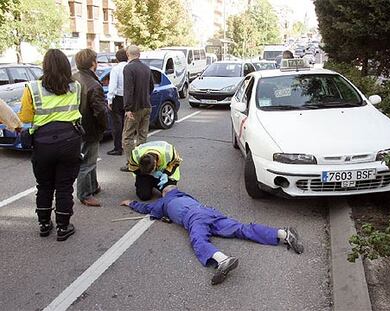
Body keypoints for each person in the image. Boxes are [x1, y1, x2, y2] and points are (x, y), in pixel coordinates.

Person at [121, 185, 304, 285]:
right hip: (209, 212)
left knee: (198, 240)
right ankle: (282, 234)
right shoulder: (186, 196)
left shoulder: (164, 201)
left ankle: (222, 259)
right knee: (241, 228)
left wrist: (130, 203)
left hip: (194, 218)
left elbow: (146, 207)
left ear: (164, 194)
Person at [17, 49, 82, 241]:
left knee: (44, 185)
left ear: (45, 66)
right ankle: (63, 227)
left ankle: (44, 224)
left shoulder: (32, 88)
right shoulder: (76, 87)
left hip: (43, 143)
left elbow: (25, 118)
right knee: (64, 186)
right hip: (70, 141)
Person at [73, 49, 108, 207]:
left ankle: (93, 186)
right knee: (88, 162)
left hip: (76, 126)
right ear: (93, 63)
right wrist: (104, 126)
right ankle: (85, 194)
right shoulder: (93, 84)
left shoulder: (74, 78)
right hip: (89, 128)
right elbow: (100, 111)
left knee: (90, 160)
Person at [120, 45, 154, 172]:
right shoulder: (146, 68)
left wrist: (127, 108)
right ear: (139, 54)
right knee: (142, 135)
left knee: (127, 136)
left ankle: (131, 163)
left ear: (128, 54)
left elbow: (128, 89)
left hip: (134, 108)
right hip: (146, 105)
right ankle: (142, 162)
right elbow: (151, 86)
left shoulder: (128, 68)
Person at [107, 48, 128, 156]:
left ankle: (118, 148)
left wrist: (110, 100)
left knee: (116, 125)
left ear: (117, 58)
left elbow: (113, 86)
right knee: (127, 124)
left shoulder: (116, 69)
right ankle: (127, 145)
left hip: (118, 98)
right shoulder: (130, 67)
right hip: (129, 98)